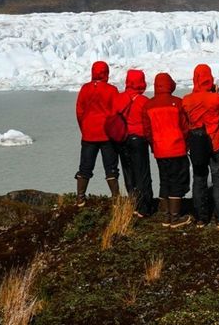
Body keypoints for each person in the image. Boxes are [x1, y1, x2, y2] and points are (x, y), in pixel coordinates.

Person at [142, 72, 192, 228]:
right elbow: (185, 127)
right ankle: (175, 218)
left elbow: (147, 130)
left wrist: (154, 145)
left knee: (165, 180)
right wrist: (186, 144)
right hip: (177, 148)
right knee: (177, 180)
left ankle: (166, 216)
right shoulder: (178, 103)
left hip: (160, 149)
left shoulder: (148, 105)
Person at [182, 64, 219, 227]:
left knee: (199, 180)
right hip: (215, 144)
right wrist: (214, 93)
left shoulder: (186, 100)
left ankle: (201, 217)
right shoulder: (216, 98)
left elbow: (186, 124)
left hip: (197, 145)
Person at [74, 60, 121, 206]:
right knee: (111, 167)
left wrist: (85, 129)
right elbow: (116, 113)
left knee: (85, 166)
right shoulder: (112, 90)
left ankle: (80, 197)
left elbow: (79, 111)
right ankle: (116, 198)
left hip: (89, 134)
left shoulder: (85, 89)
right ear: (106, 73)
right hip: (107, 135)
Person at [113, 69, 154, 218]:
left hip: (122, 140)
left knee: (128, 173)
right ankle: (145, 207)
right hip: (139, 141)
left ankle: (133, 204)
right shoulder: (144, 102)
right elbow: (149, 124)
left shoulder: (118, 99)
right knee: (142, 173)